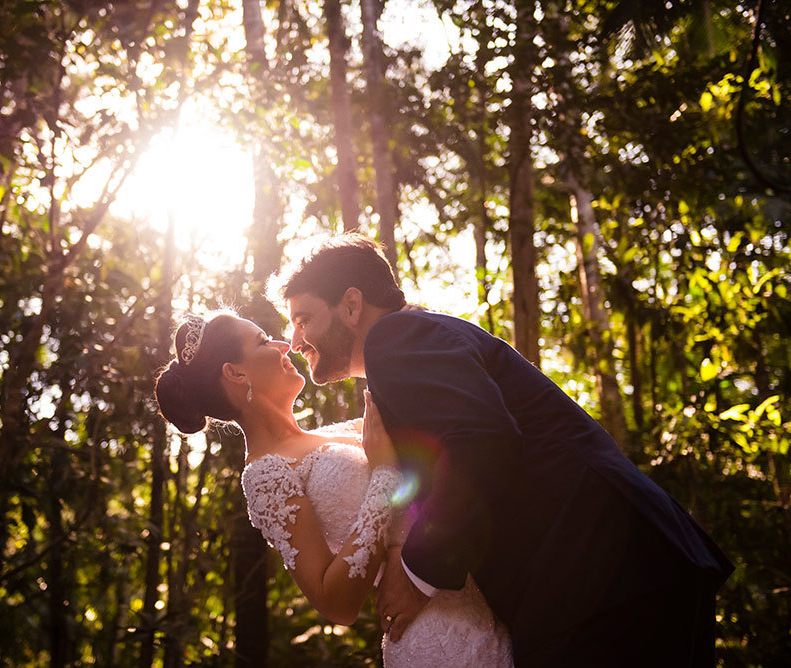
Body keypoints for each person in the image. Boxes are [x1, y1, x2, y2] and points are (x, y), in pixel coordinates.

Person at [277, 233, 733, 668]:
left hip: (605, 576)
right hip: (620, 571)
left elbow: (482, 440)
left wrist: (418, 573)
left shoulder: (396, 338)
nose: (295, 341)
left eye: (303, 319)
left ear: (352, 305)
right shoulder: (414, 339)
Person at [155, 311, 514, 667]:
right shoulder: (265, 476)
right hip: (435, 641)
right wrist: (384, 473)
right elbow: (335, 603)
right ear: (236, 373)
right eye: (264, 341)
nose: (284, 345)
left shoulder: (343, 431)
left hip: (489, 605)